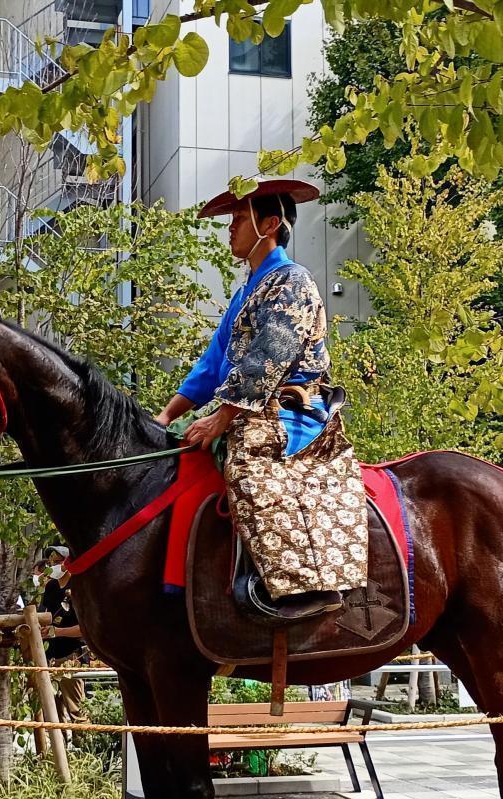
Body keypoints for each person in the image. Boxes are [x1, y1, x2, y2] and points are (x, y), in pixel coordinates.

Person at [155, 178, 368, 620]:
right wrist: (166, 416)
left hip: (292, 411)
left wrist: (219, 420)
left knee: (248, 459)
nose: (230, 228)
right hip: (251, 405)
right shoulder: (247, 290)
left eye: (238, 219)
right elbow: (213, 364)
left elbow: (268, 357)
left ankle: (304, 586)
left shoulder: (293, 281)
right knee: (174, 450)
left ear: (269, 224)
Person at [39, 546, 87, 731]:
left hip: (71, 657)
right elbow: (45, 614)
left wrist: (57, 632)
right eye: (51, 562)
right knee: (52, 714)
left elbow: (85, 629)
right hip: (48, 657)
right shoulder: (50, 586)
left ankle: (84, 747)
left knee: (76, 710)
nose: (54, 566)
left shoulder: (79, 586)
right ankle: (58, 754)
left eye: (58, 562)